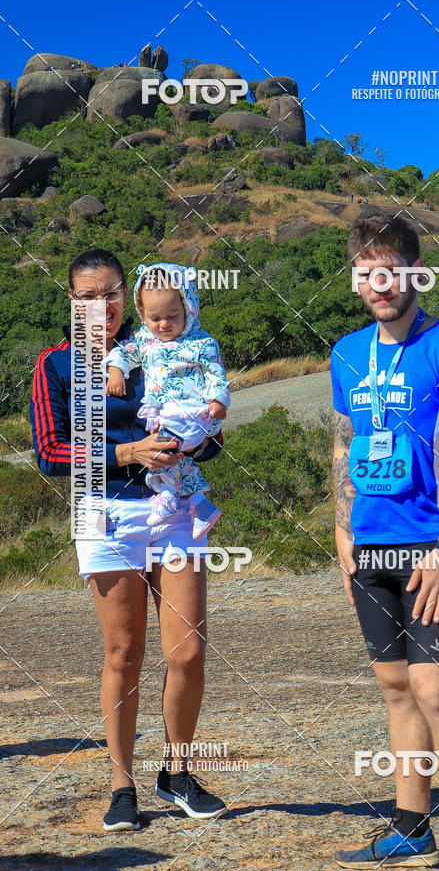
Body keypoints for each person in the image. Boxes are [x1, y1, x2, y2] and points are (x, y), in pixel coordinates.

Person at [30, 249, 227, 832]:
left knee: (187, 651)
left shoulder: (163, 342)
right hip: (103, 514)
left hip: (175, 508)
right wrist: (127, 453)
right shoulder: (56, 365)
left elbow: (212, 438)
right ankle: (122, 786)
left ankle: (177, 772)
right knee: (123, 653)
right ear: (72, 302)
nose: (101, 306)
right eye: (87, 297)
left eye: (111, 293)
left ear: (128, 295)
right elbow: (49, 453)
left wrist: (196, 438)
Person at [330, 214, 439, 870]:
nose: (380, 283)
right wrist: (341, 530)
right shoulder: (347, 354)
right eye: (367, 272)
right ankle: (410, 826)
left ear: (415, 275)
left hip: (436, 546)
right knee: (397, 687)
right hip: (371, 545)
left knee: (436, 689)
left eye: (391, 270)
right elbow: (343, 444)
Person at [105, 263, 229, 536]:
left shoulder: (200, 343)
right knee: (169, 456)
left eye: (172, 316)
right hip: (163, 417)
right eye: (154, 318)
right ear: (142, 314)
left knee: (163, 451)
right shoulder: (146, 341)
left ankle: (171, 498)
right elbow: (124, 352)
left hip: (193, 413)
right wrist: (115, 372)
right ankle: (198, 504)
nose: (163, 324)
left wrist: (218, 400)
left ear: (189, 309)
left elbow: (215, 372)